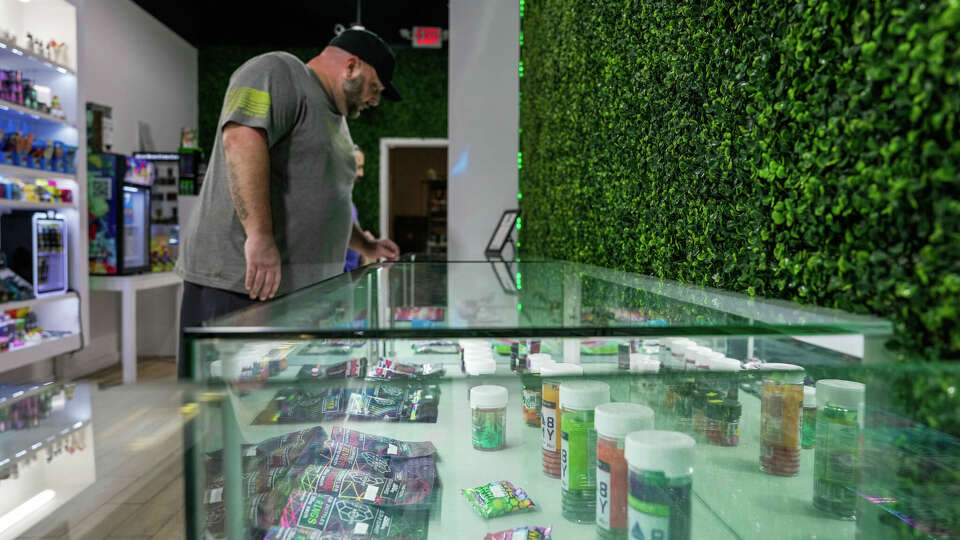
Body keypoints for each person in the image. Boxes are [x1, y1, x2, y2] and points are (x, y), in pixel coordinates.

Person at [176, 28, 400, 376]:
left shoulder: (336, 121)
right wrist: (259, 236)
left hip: (288, 293)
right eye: (375, 88)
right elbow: (242, 138)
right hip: (243, 282)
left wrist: (364, 244)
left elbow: (330, 198)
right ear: (352, 66)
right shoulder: (279, 71)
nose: (374, 100)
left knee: (266, 415)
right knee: (217, 410)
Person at [344, 145, 375, 272]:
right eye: (358, 167)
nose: (361, 173)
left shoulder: (349, 203)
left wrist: (364, 242)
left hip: (349, 282)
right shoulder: (328, 203)